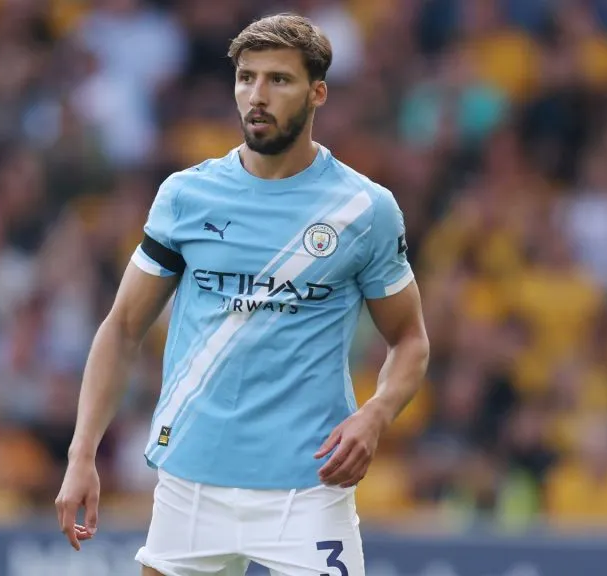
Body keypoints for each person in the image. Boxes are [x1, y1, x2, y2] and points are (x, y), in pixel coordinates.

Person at [55, 13, 430, 576]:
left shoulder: (364, 209)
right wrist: (82, 453)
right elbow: (122, 327)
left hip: (308, 486)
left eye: (278, 80)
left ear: (317, 92)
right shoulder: (186, 196)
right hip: (191, 478)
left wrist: (376, 413)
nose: (257, 95)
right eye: (246, 78)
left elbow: (410, 340)